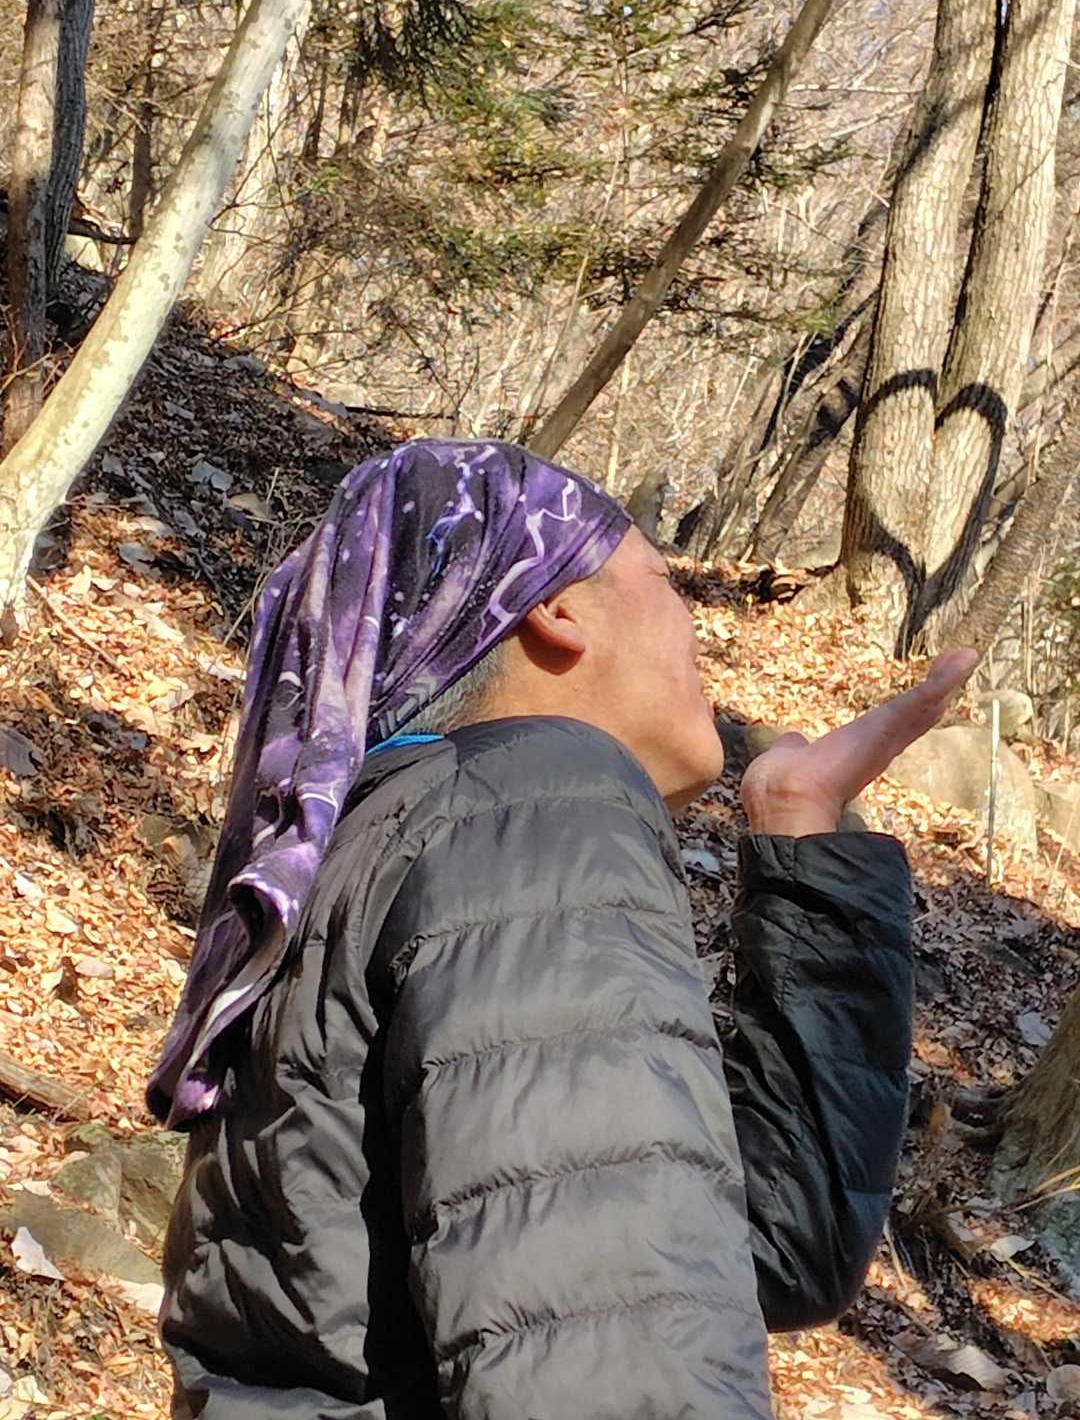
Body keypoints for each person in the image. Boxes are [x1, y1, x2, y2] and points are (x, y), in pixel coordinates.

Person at [151, 439, 977, 1420]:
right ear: (555, 608)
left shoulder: (384, 839)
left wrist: (802, 836)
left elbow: (757, 1247)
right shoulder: (531, 807)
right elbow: (614, 1368)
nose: (697, 629)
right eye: (668, 584)